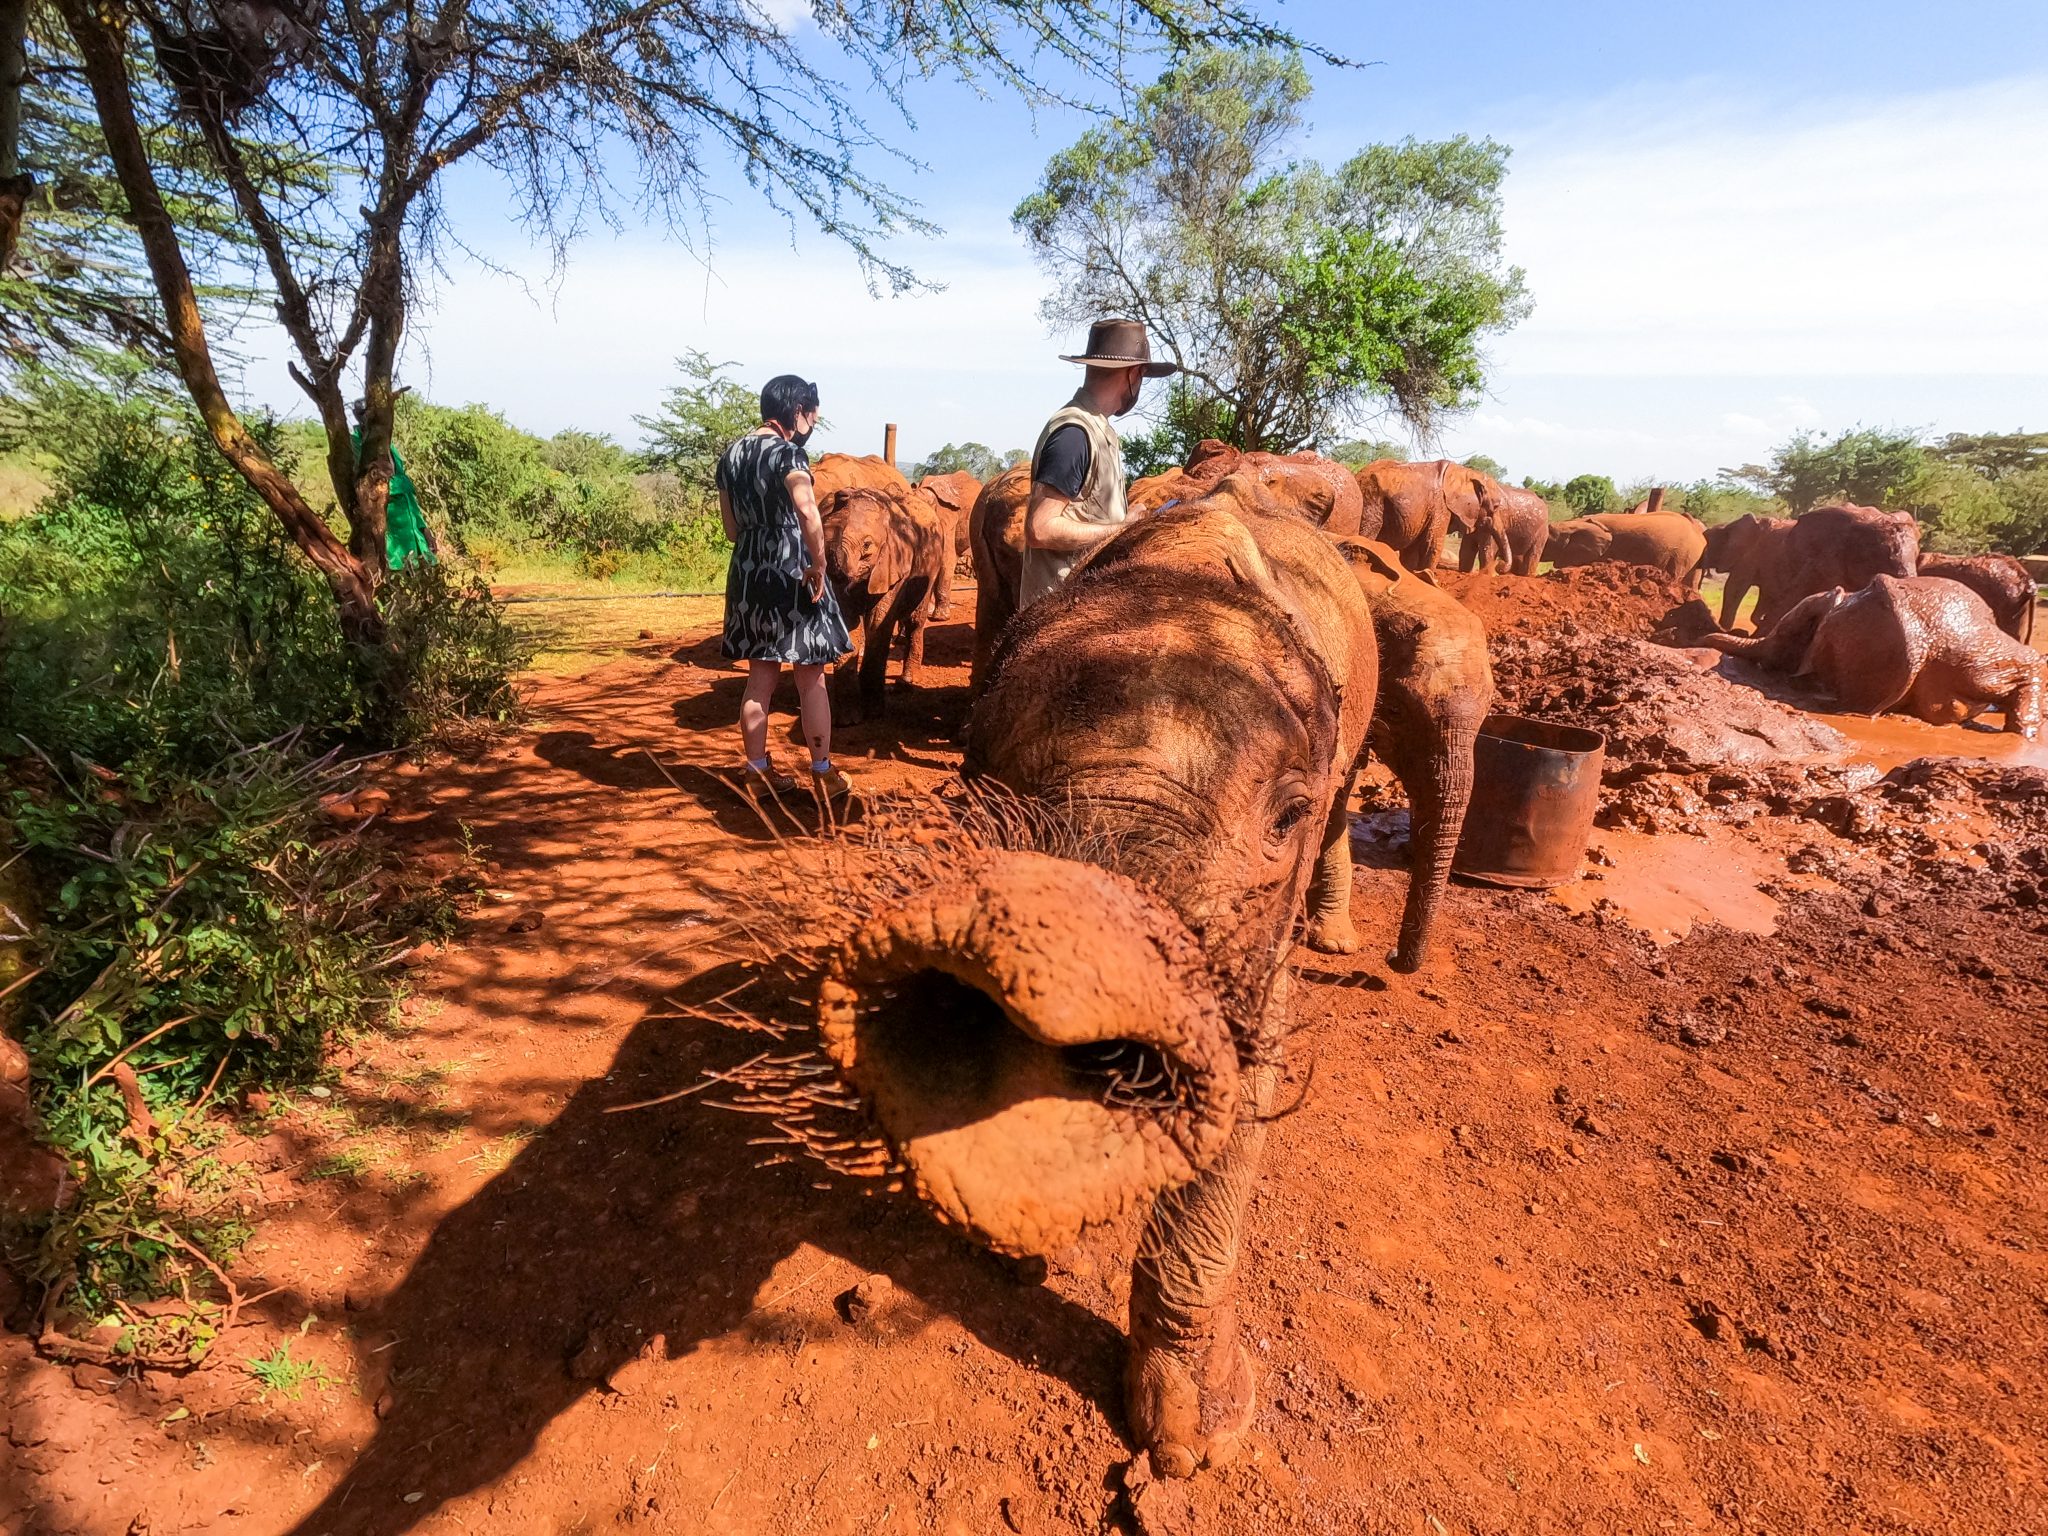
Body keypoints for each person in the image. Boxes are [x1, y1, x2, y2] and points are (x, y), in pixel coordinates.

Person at [716, 373, 856, 801]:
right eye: (812, 414)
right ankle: (823, 773)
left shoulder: (731, 455)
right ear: (797, 412)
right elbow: (808, 512)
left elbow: (730, 530)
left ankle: (757, 773)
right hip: (790, 569)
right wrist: (817, 563)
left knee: (759, 679)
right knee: (811, 677)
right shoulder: (789, 454)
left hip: (748, 569)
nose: (812, 422)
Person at [1019, 317, 1178, 610]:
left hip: (1081, 613)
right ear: (1134, 374)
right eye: (1142, 376)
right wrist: (1121, 528)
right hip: (1058, 619)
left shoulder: (1095, 429)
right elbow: (1040, 529)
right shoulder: (1074, 434)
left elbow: (1082, 512)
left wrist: (1123, 520)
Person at [350, 395, 436, 571]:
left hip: (413, 534)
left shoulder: (390, 447)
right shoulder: (356, 445)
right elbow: (370, 486)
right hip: (389, 539)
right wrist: (401, 483)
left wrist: (425, 529)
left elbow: (408, 494)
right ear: (361, 416)